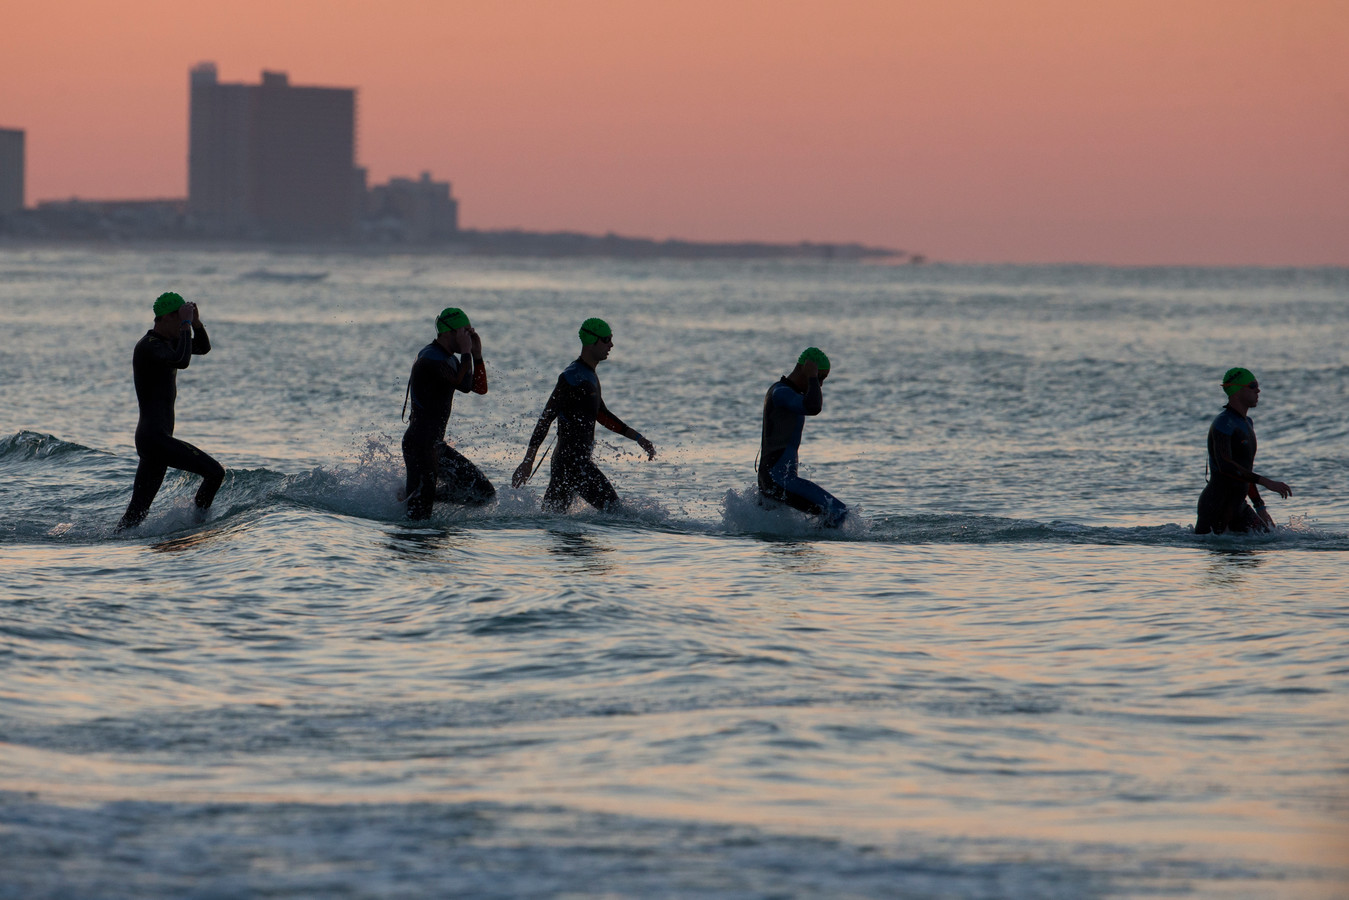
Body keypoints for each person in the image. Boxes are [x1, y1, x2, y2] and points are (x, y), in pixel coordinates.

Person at [511, 317, 656, 512]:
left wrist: (637, 438)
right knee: (617, 514)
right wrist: (528, 461)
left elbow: (602, 415)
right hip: (572, 463)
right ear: (591, 341)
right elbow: (546, 417)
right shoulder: (571, 377)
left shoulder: (589, 375)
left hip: (571, 463)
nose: (611, 344)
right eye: (606, 339)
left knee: (553, 521)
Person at [117, 292, 225, 529]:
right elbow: (182, 361)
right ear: (164, 318)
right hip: (154, 439)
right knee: (215, 473)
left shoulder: (170, 342)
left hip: (155, 440)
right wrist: (187, 324)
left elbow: (203, 348)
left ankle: (115, 544)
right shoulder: (148, 346)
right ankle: (199, 524)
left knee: (135, 515)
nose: (181, 327)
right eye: (178, 321)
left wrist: (195, 323)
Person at [402, 307, 494, 519]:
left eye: (470, 334)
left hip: (435, 446)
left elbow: (479, 388)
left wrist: (477, 355)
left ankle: (414, 495)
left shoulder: (448, 357)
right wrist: (466, 353)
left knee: (483, 494)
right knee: (419, 519)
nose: (468, 339)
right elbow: (464, 384)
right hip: (420, 445)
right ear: (447, 332)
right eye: (464, 333)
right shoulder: (431, 359)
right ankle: (414, 502)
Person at [1194, 366, 1292, 535]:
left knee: (1268, 539)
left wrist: (1260, 506)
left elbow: (1243, 471)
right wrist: (1267, 482)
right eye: (1253, 386)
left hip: (1238, 505)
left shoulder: (1247, 422)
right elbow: (1226, 466)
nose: (1258, 390)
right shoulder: (1223, 424)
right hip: (1217, 505)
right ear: (1238, 390)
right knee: (1225, 555)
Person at [757, 347, 848, 527]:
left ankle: (808, 545)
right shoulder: (780, 393)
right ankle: (819, 548)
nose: (820, 385)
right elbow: (813, 406)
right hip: (778, 479)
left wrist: (813, 377)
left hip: (775, 479)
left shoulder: (789, 393)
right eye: (820, 378)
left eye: (822, 380)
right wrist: (812, 377)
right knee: (837, 512)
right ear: (804, 370)